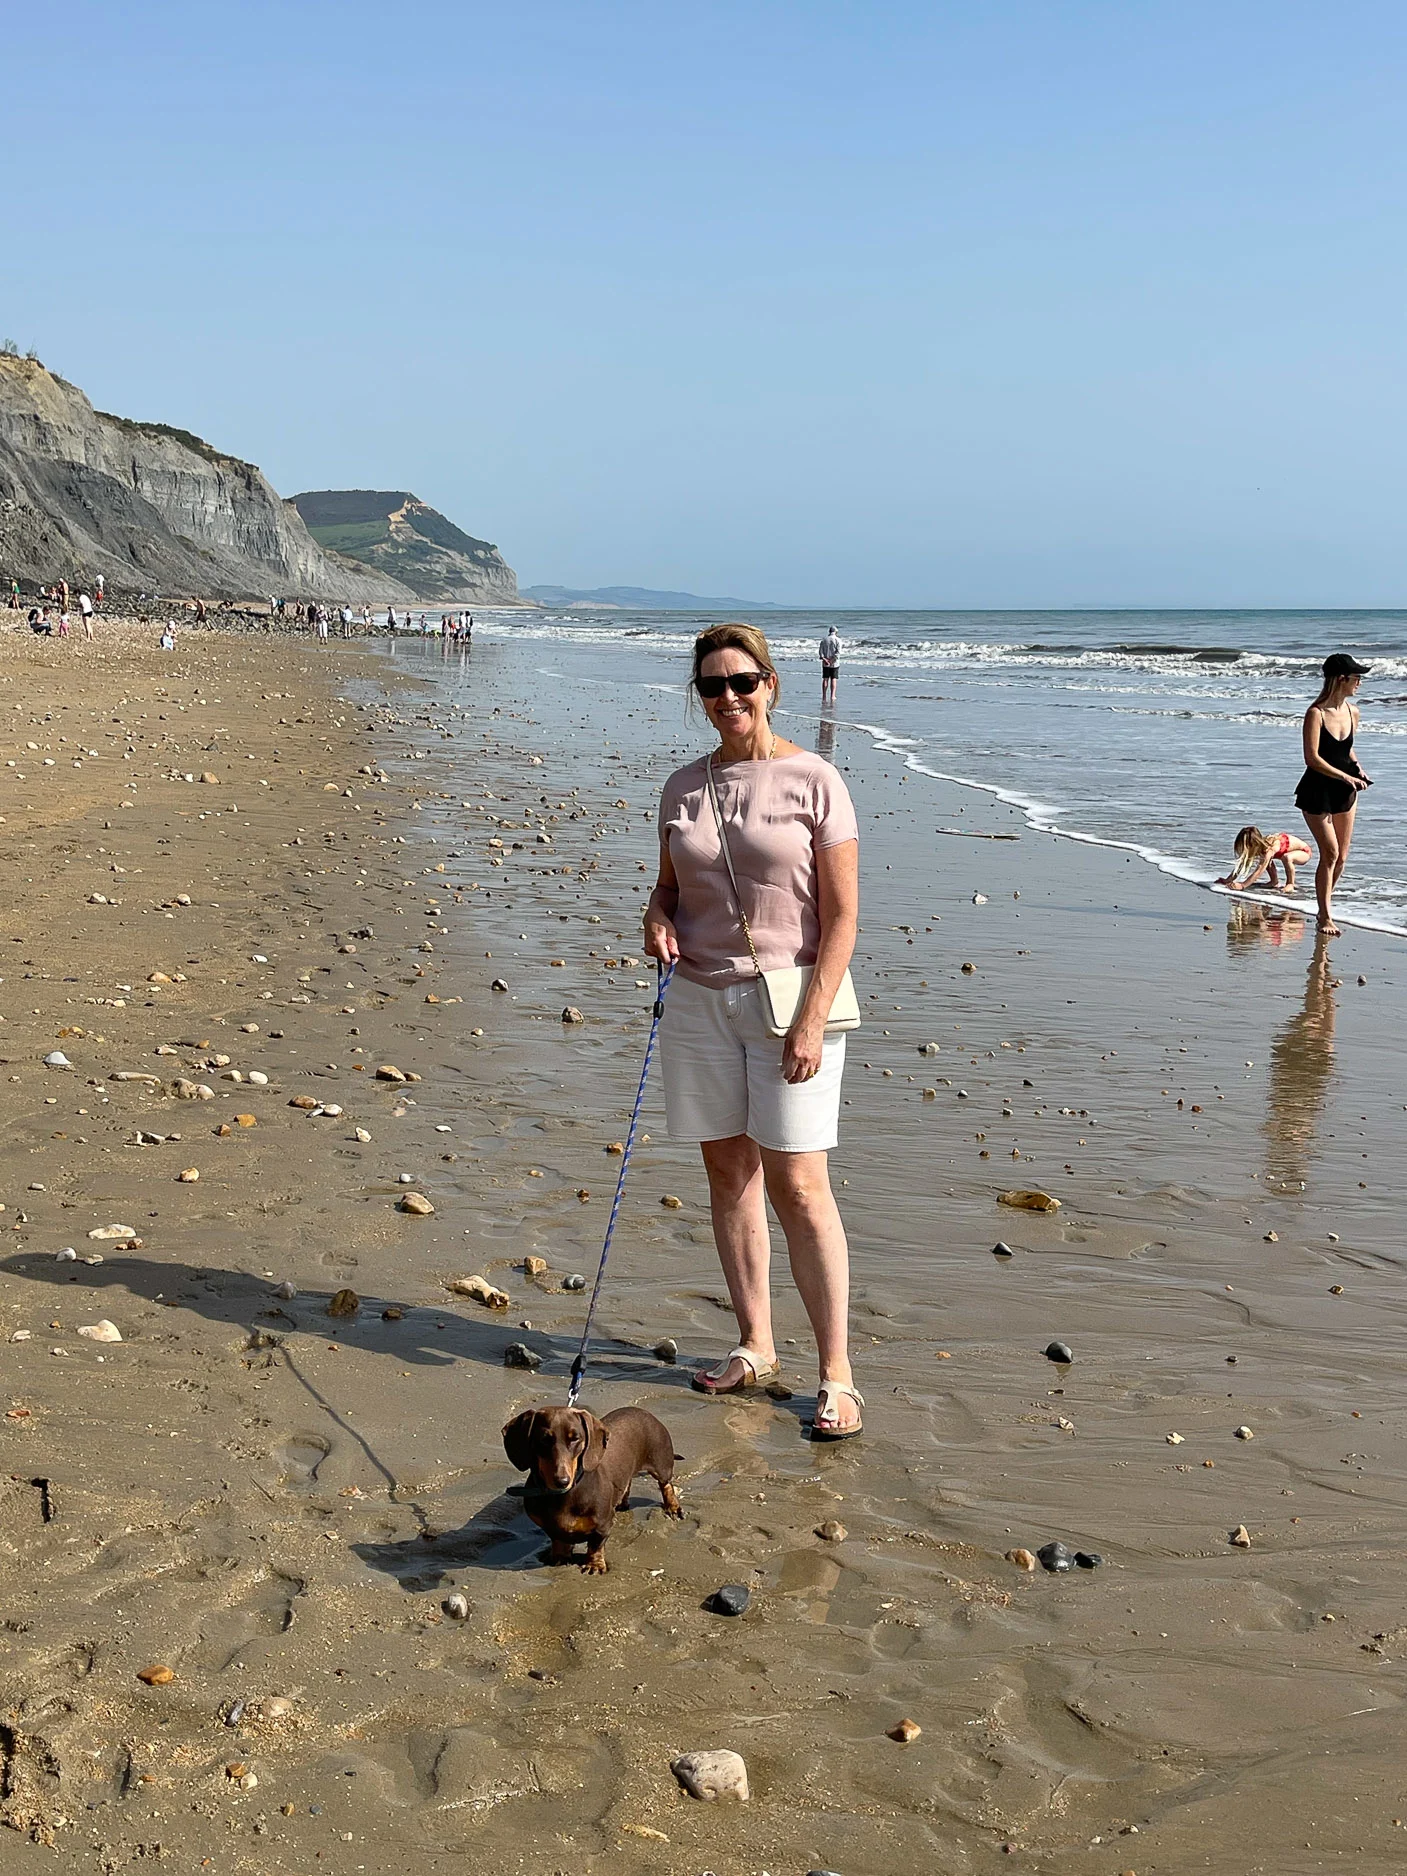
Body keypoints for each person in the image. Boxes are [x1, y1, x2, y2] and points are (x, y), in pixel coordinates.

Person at [643, 622, 864, 1439]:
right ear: (698, 697)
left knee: (799, 1186)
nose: (728, 698)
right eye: (712, 686)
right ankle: (755, 1345)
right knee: (727, 1175)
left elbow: (842, 918)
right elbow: (668, 890)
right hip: (699, 1003)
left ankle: (836, 1375)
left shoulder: (816, 780)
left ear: (770, 683)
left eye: (742, 682)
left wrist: (811, 1018)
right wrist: (655, 919)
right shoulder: (682, 787)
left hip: (791, 1005)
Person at [1294, 653, 1371, 935]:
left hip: (1345, 790)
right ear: (1341, 679)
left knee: (1341, 858)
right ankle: (1325, 916)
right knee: (1330, 853)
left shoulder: (1353, 712)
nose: (1359, 683)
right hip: (1317, 791)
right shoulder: (1315, 713)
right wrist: (1345, 776)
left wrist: (1358, 768)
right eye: (1356, 678)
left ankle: (1322, 907)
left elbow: (1346, 749)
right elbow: (1312, 758)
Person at [1216, 825, 1312, 893]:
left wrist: (1243, 885)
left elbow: (1260, 870)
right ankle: (1274, 881)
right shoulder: (1261, 849)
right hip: (1287, 853)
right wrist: (1228, 880)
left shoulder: (1270, 848)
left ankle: (1290, 884)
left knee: (1286, 857)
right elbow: (1242, 864)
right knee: (1266, 859)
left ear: (1255, 843)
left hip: (1304, 852)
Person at [819, 624, 841, 703]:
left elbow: (820, 652)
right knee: (833, 679)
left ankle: (824, 696)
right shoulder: (838, 640)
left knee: (825, 679)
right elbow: (838, 652)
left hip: (825, 662)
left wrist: (825, 659)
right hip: (834, 663)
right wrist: (832, 660)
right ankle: (832, 695)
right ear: (836, 632)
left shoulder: (824, 639)